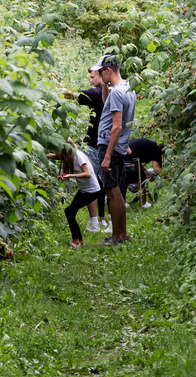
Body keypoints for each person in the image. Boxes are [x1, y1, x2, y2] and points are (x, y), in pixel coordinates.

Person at [63, 64, 109, 232]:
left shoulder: (96, 93)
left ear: (102, 76)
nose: (90, 81)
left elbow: (70, 95)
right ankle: (102, 221)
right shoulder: (114, 92)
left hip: (93, 145)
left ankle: (95, 222)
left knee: (90, 183)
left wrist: (47, 91)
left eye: (92, 77)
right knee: (103, 184)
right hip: (106, 145)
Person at [95, 55, 136, 245]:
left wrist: (107, 156)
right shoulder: (127, 88)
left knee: (111, 191)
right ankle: (122, 234)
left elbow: (117, 127)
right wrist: (104, 85)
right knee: (116, 191)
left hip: (109, 145)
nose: (97, 74)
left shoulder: (118, 92)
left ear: (108, 70)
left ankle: (116, 237)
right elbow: (107, 104)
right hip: (117, 146)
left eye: (100, 71)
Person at [48, 144, 101, 248]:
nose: (55, 152)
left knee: (69, 211)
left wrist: (70, 175)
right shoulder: (68, 155)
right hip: (84, 190)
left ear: (63, 149)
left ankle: (76, 242)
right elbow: (54, 156)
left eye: (56, 150)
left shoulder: (78, 156)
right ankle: (80, 241)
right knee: (71, 212)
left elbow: (87, 174)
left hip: (92, 191)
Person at [127, 136, 164, 208]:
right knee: (142, 178)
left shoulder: (151, 145)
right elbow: (157, 170)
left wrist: (144, 170)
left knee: (126, 178)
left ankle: (123, 201)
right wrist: (171, 179)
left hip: (125, 149)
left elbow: (138, 157)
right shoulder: (156, 149)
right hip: (129, 153)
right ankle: (143, 203)